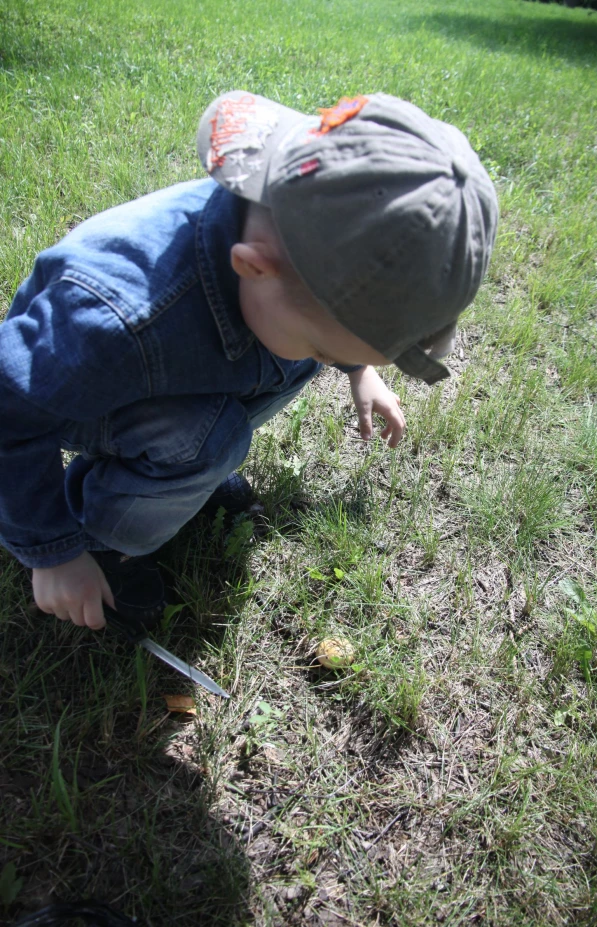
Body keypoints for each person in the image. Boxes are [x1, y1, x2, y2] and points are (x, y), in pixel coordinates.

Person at [0, 91, 498, 632]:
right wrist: (52, 552)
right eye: (330, 349)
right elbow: (11, 413)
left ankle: (176, 485)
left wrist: (358, 368)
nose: (330, 360)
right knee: (205, 439)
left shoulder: (280, 235)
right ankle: (99, 540)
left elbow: (339, 295)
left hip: (183, 359)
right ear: (254, 268)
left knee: (287, 361)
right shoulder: (114, 320)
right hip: (74, 392)